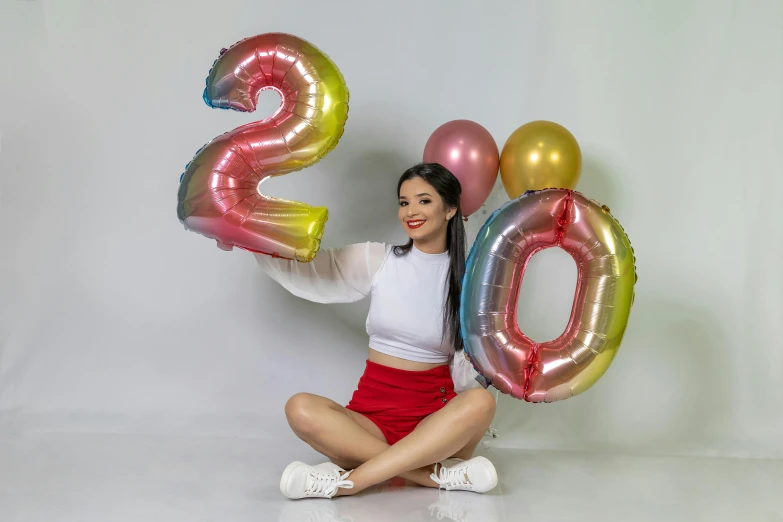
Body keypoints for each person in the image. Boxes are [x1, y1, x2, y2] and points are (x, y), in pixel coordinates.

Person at [256, 163, 498, 500]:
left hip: (433, 422)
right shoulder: (379, 259)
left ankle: (348, 482)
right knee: (300, 407)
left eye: (424, 201)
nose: (411, 211)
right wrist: (252, 235)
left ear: (451, 209)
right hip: (369, 422)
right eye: (404, 202)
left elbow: (483, 356)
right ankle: (430, 476)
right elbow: (309, 269)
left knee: (480, 402)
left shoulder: (471, 278)